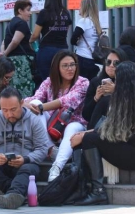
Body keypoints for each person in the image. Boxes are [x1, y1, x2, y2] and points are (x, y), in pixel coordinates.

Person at [69, 62, 135, 205]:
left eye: (117, 79)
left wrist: (86, 135)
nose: (115, 83)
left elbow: (119, 131)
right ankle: (81, 186)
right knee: (87, 137)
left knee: (89, 139)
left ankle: (97, 192)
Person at [0, 87, 52, 210]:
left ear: (22, 103)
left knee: (30, 168)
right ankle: (15, 192)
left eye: (13, 109)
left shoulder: (34, 121)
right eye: (4, 110)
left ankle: (13, 193)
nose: (9, 114)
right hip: (1, 164)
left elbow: (42, 148)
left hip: (24, 164)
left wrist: (26, 159)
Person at [23, 51, 88, 182]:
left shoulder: (83, 82)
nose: (70, 68)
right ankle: (51, 149)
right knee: (34, 103)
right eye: (65, 65)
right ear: (57, 68)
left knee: (72, 127)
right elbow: (36, 98)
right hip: (52, 126)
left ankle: (56, 167)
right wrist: (23, 102)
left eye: (72, 65)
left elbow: (67, 101)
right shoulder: (49, 82)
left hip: (75, 124)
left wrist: (41, 107)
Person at [30, 0, 72, 81]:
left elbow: (35, 35)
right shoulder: (66, 13)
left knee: (46, 80)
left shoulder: (44, 13)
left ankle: (49, 96)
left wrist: (29, 41)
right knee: (61, 79)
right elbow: (66, 31)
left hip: (46, 50)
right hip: (63, 49)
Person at [82, 49, 127, 128]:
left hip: (120, 126)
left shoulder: (128, 82)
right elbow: (86, 115)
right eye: (108, 62)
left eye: (116, 63)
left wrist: (117, 91)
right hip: (97, 127)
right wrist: (96, 98)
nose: (111, 65)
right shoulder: (96, 82)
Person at [2, 0, 35, 98]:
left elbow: (4, 42)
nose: (30, 13)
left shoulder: (11, 23)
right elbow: (15, 41)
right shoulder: (22, 23)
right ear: (20, 11)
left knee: (14, 88)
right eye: (28, 10)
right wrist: (4, 54)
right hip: (21, 63)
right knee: (23, 89)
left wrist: (4, 53)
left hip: (13, 61)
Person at [71, 0, 102, 80]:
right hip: (93, 60)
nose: (79, 9)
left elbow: (72, 40)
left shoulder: (83, 21)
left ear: (85, 8)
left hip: (82, 57)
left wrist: (77, 42)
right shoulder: (96, 23)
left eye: (80, 6)